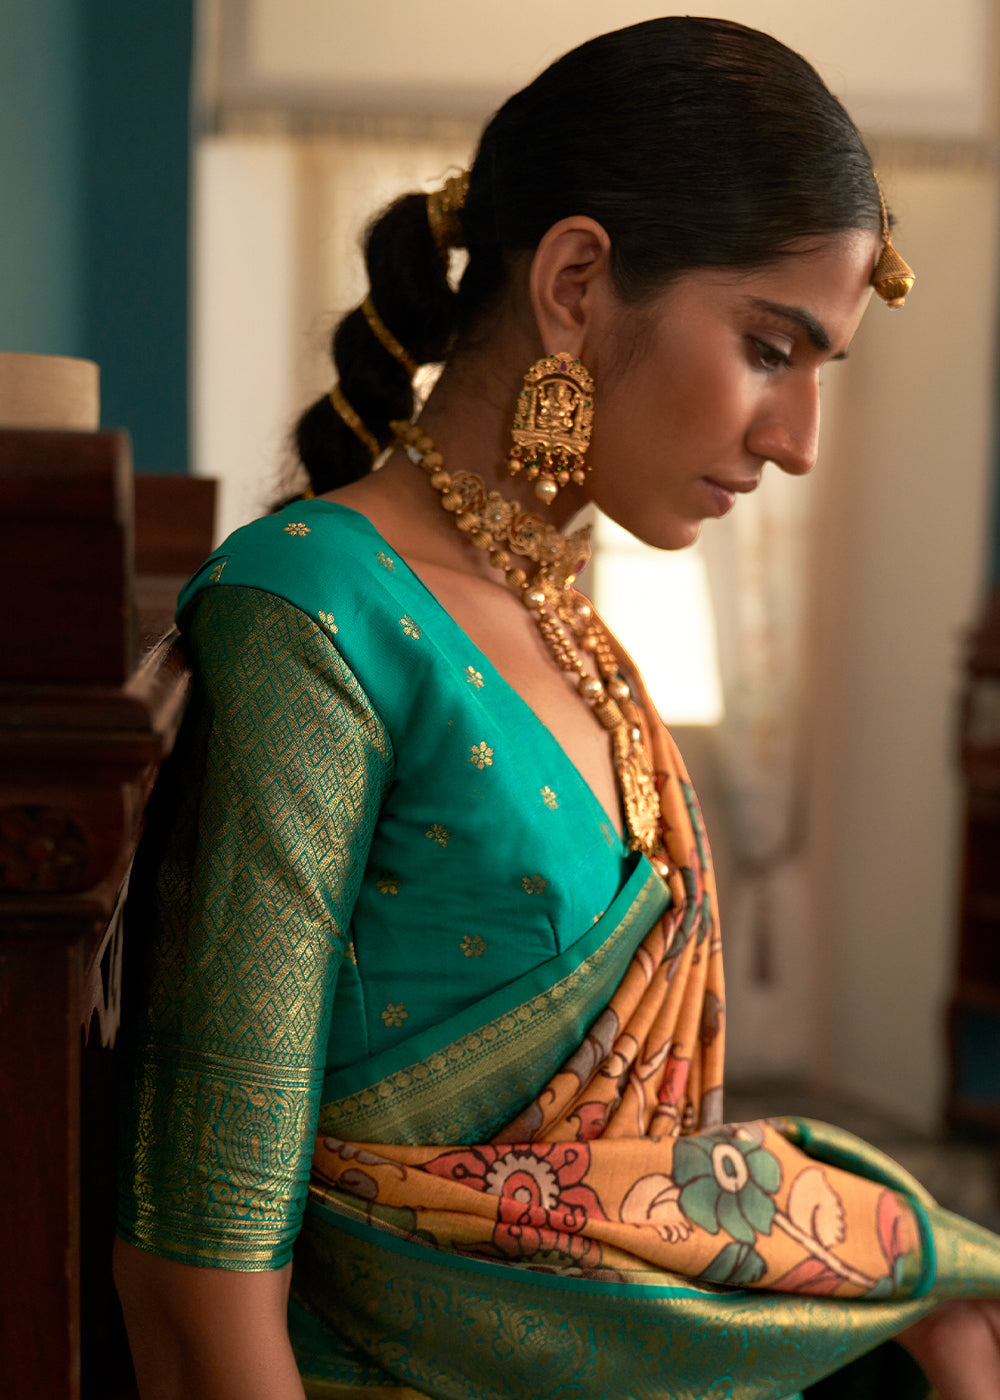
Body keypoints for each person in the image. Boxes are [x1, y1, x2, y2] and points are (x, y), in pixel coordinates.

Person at [113, 15, 1000, 1399]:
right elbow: (197, 1263)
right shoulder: (315, 615)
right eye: (774, 348)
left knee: (956, 1319)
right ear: (578, 284)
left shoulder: (565, 614)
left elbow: (623, 1185)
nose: (799, 441)